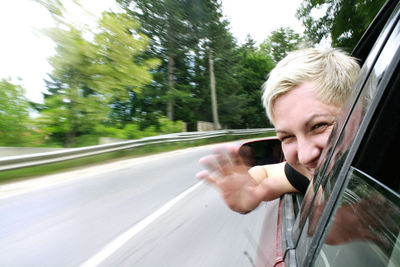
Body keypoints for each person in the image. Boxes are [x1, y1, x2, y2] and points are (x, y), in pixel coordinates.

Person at [196, 47, 360, 214]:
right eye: (287, 137)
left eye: (318, 126)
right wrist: (248, 187)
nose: (304, 157)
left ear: (361, 114)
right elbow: (267, 173)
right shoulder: (313, 174)